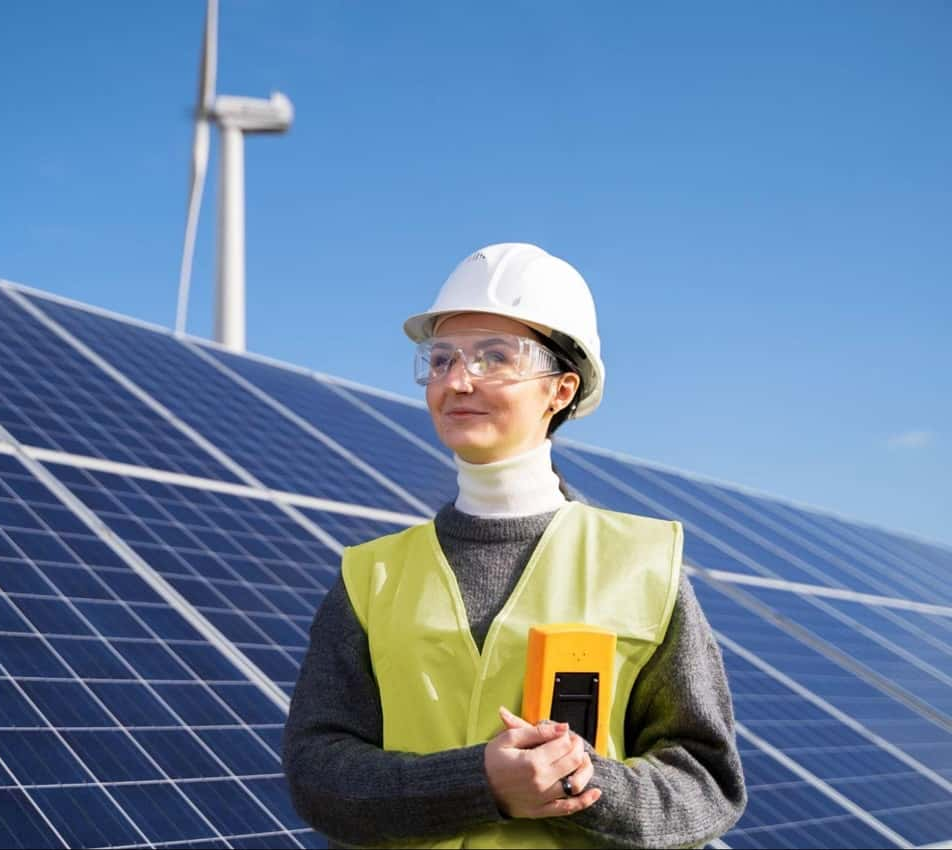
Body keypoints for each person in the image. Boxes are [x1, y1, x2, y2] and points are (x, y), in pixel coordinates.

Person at [282, 243, 746, 848]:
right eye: (441, 359)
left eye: (494, 357)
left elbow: (708, 783)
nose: (458, 380)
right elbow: (317, 773)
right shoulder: (371, 576)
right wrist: (480, 783)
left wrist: (578, 782)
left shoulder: (643, 565)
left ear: (560, 390)